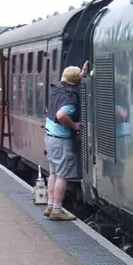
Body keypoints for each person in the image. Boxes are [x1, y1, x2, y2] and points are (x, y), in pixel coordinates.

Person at [44, 63, 85, 220]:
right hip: (61, 139)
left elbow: (75, 79)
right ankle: (57, 210)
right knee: (62, 175)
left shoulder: (57, 89)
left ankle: (50, 205)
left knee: (53, 173)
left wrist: (83, 73)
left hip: (49, 137)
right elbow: (61, 115)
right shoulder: (71, 96)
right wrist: (74, 124)